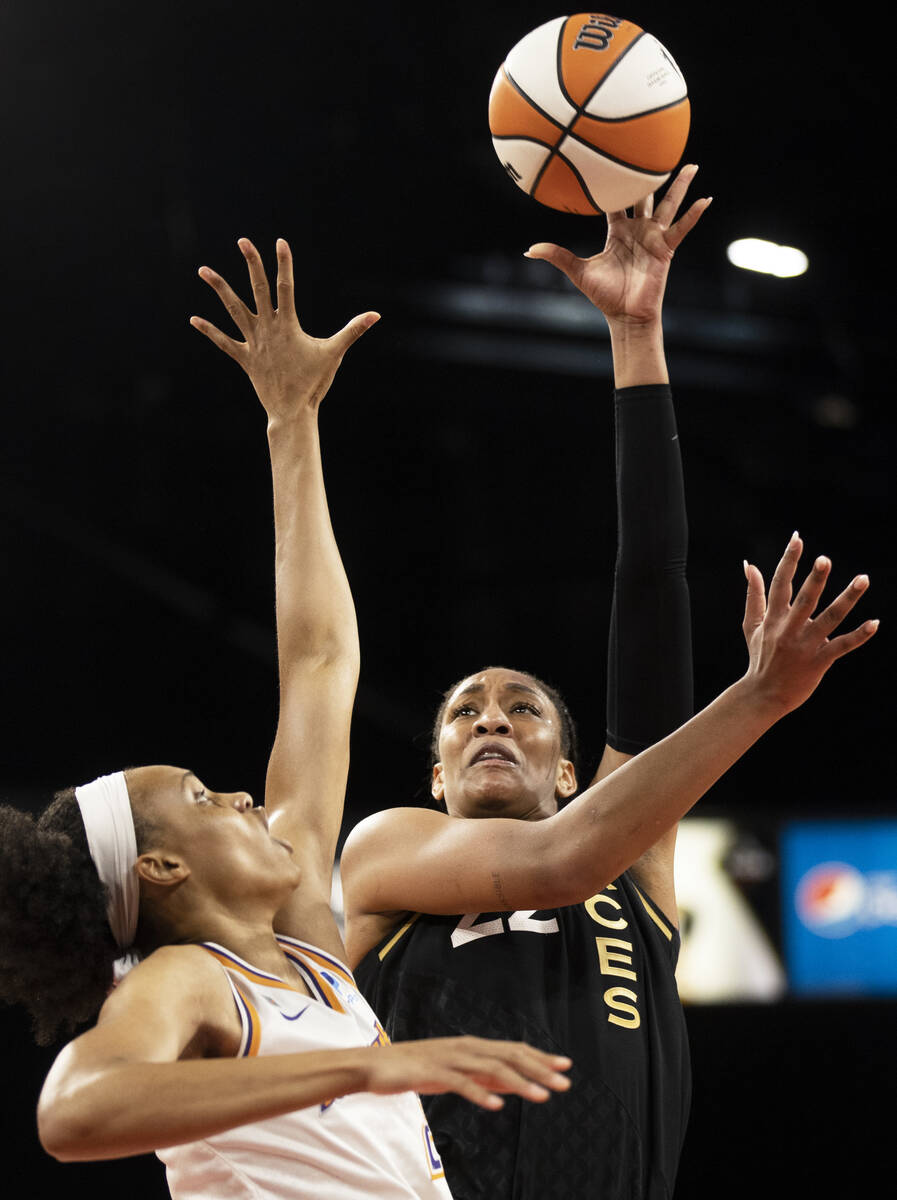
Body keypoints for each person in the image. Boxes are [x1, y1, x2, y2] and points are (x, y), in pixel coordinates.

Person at [339, 166, 879, 1199]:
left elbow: (650, 587)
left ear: (575, 770)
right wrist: (759, 697)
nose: (491, 717)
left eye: (524, 709)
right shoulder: (385, 857)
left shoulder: (631, 865)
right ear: (438, 775)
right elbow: (552, 859)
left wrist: (638, 335)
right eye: (464, 714)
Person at [0, 239, 574, 1200]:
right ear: (160, 868)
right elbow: (72, 1113)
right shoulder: (185, 981)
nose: (233, 793)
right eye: (195, 797)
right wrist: (364, 1066)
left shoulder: (305, 946)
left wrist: (291, 421)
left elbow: (317, 664)